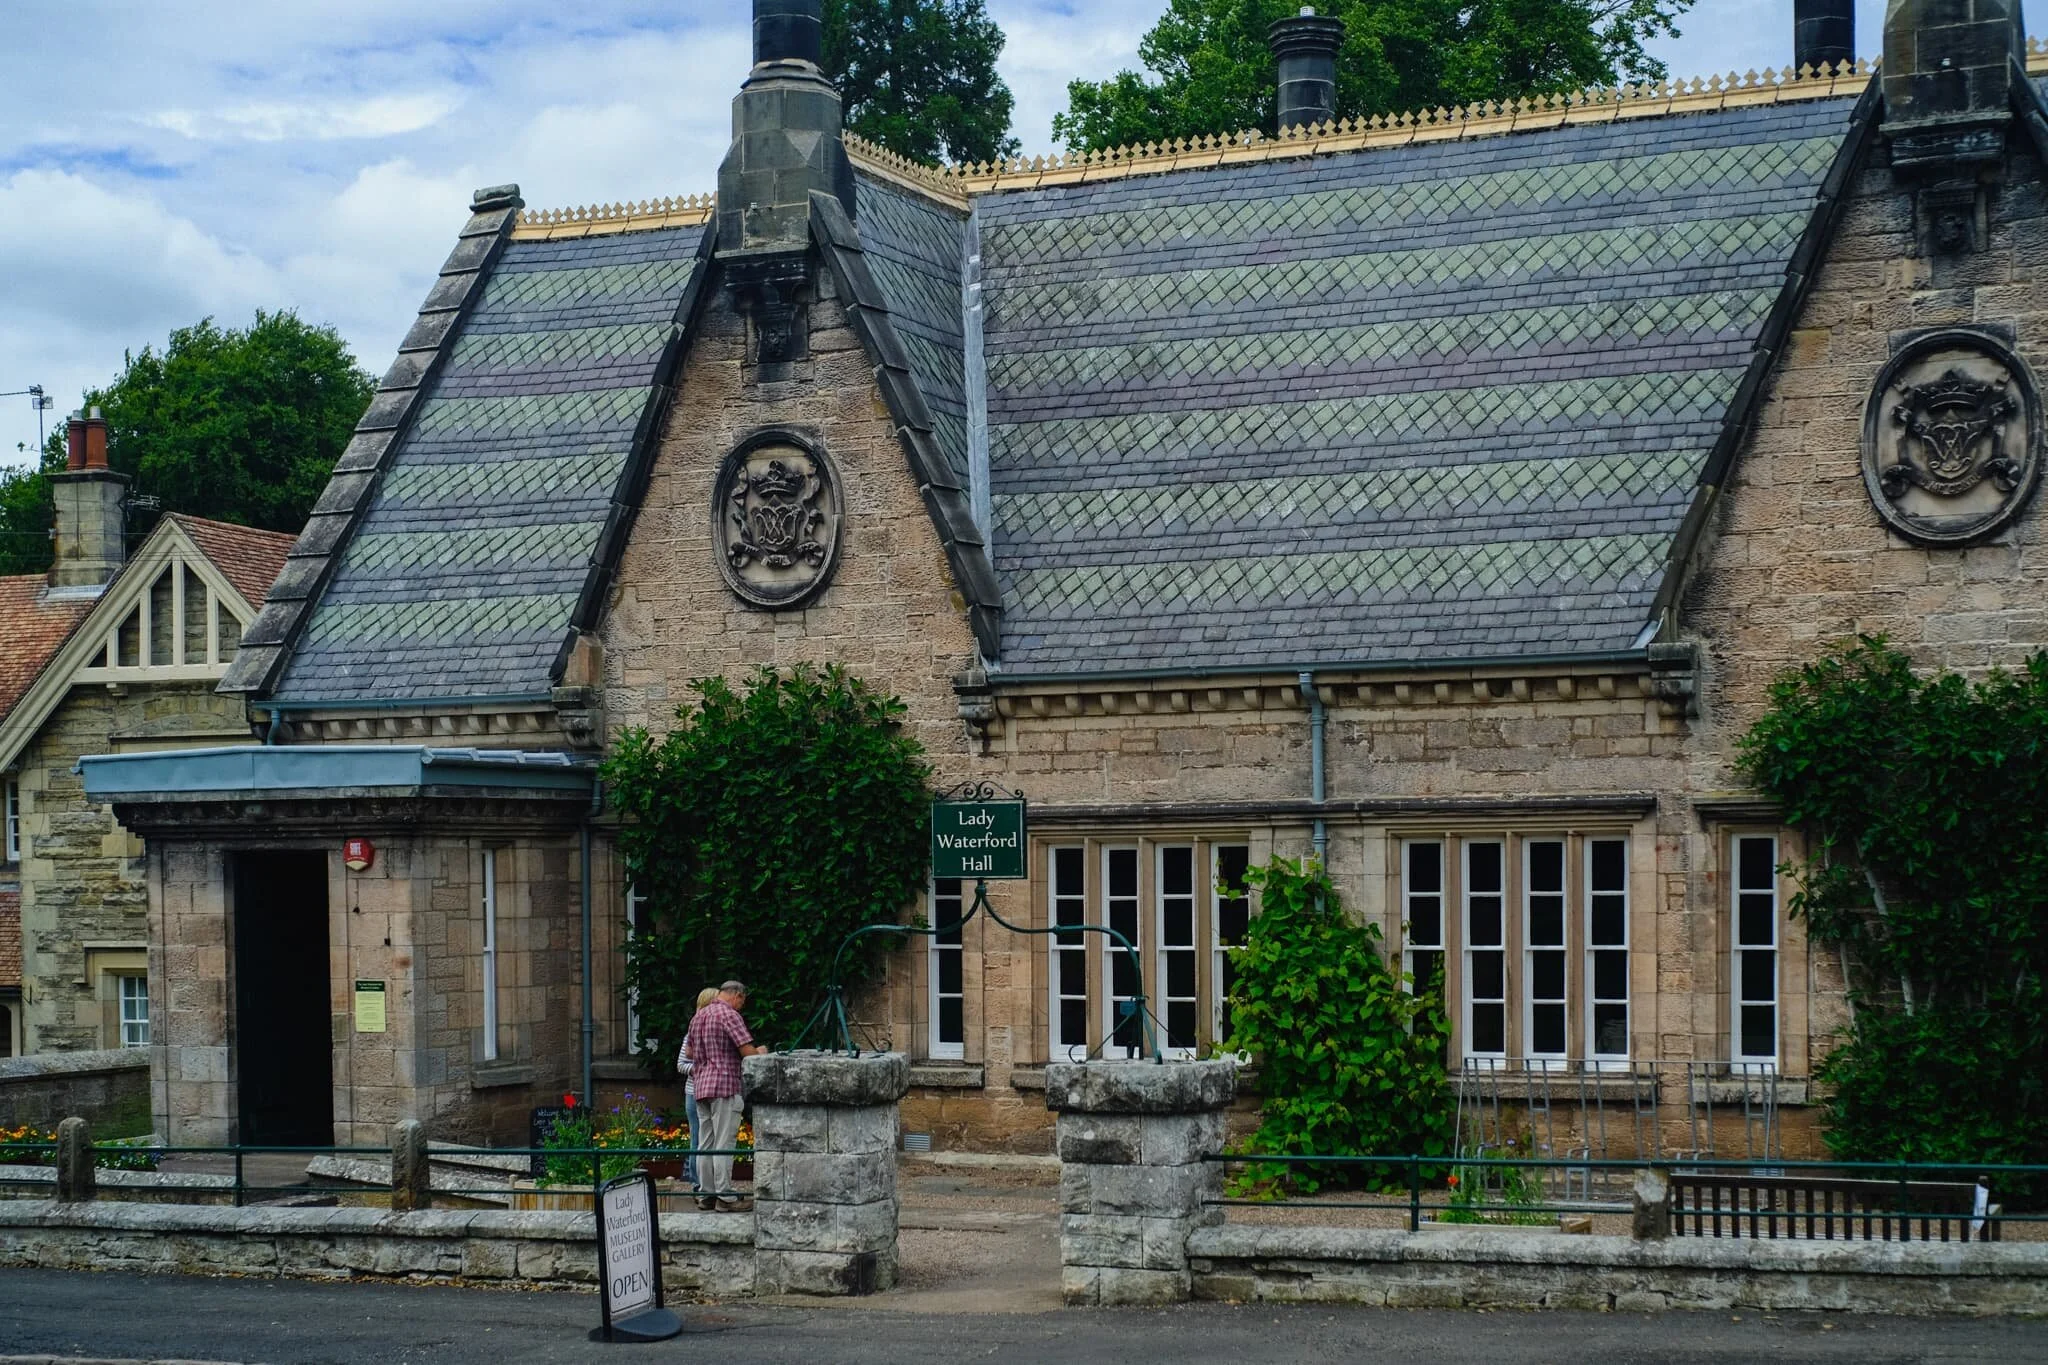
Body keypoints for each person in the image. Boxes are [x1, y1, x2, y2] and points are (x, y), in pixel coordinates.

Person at [683, 979, 765, 1211]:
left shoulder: (699, 1016)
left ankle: (706, 1195)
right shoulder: (729, 1015)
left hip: (701, 1086)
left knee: (705, 1143)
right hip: (725, 1085)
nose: (741, 1006)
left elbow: (689, 1051)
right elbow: (746, 1051)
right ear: (737, 995)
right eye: (742, 1001)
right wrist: (761, 1051)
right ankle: (725, 1197)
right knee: (723, 1143)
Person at [675, 986, 720, 1193]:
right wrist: (701, 1070)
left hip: (714, 1091)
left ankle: (710, 1182)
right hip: (694, 1092)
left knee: (713, 1139)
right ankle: (697, 1183)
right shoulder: (692, 1032)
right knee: (698, 1138)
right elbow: (681, 1064)